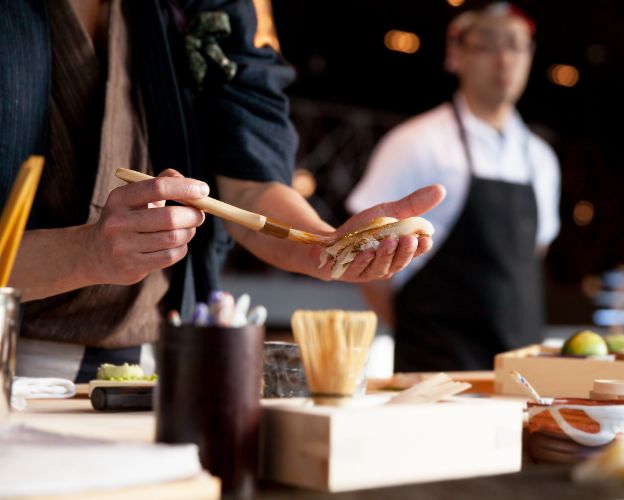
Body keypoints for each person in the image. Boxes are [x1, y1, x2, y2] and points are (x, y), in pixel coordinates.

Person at [1, 0, 444, 382]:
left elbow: (249, 183)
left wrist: (322, 245)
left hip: (157, 370)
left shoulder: (208, 5)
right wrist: (85, 253)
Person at [347, 1, 561, 371]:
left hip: (520, 375)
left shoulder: (541, 158)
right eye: (487, 45)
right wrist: (418, 331)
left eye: (515, 45)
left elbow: (532, 255)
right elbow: (364, 252)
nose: (503, 59)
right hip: (435, 369)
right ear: (455, 54)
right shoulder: (416, 142)